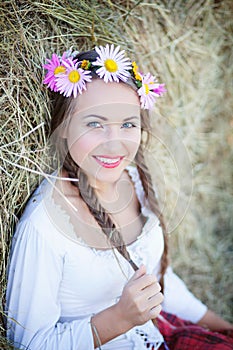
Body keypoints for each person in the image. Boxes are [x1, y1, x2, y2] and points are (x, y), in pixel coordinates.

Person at [5, 44, 233, 350]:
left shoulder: (134, 180)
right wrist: (119, 319)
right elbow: (28, 344)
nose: (115, 145)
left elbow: (156, 283)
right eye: (95, 124)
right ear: (63, 128)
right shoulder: (45, 227)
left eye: (127, 124)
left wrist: (222, 328)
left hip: (159, 334)